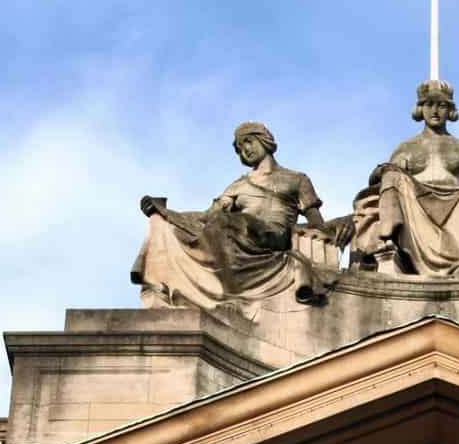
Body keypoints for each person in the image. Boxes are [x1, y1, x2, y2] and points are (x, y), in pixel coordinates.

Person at [133, 121, 330, 316]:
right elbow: (208, 217)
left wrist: (339, 224)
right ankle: (159, 287)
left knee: (231, 221)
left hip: (275, 234)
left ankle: (230, 292)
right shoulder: (238, 185)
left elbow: (316, 222)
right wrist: (167, 214)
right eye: (239, 147)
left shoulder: (296, 179)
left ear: (264, 140)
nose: (245, 149)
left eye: (248, 141)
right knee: (170, 225)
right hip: (239, 233)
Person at [353, 80, 459, 274]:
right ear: (420, 108)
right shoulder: (407, 147)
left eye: (442, 105)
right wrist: (383, 170)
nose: (435, 111)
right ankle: (387, 243)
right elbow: (380, 179)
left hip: (453, 202)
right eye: (429, 104)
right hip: (415, 202)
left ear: (450, 111)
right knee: (392, 176)